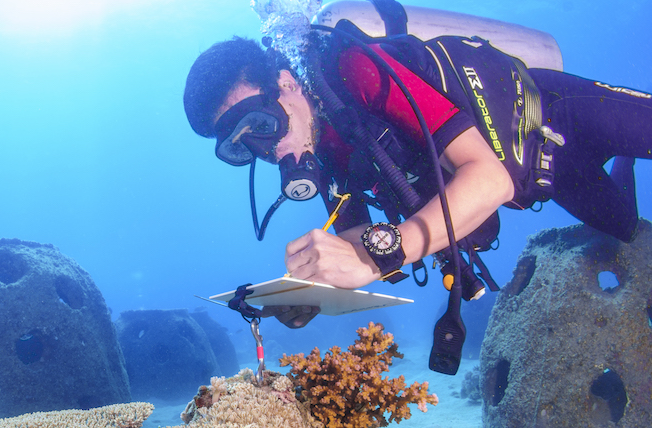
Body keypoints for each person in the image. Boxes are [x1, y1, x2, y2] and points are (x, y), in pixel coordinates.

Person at [183, 20, 652, 331]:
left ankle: (622, 151)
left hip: (555, 115)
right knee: (624, 225)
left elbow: (490, 180)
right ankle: (624, 167)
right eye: (244, 147)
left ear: (285, 82)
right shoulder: (324, 152)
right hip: (548, 179)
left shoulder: (357, 73)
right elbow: (355, 238)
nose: (268, 151)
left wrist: (386, 252)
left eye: (262, 126)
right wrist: (313, 284)